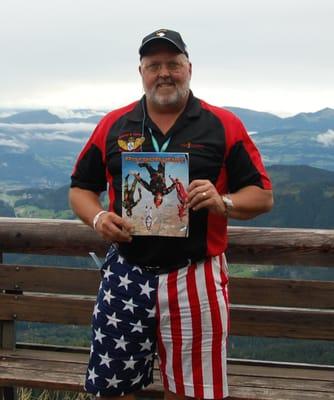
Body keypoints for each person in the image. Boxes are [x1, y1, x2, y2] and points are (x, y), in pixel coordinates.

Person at [69, 28, 273, 400]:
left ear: (189, 68)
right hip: (125, 274)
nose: (164, 72)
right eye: (154, 65)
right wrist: (98, 218)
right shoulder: (114, 124)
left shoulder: (223, 124)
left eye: (173, 64)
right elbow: (81, 187)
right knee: (114, 390)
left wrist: (223, 202)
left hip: (194, 275)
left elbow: (262, 196)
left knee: (195, 391)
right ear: (141, 72)